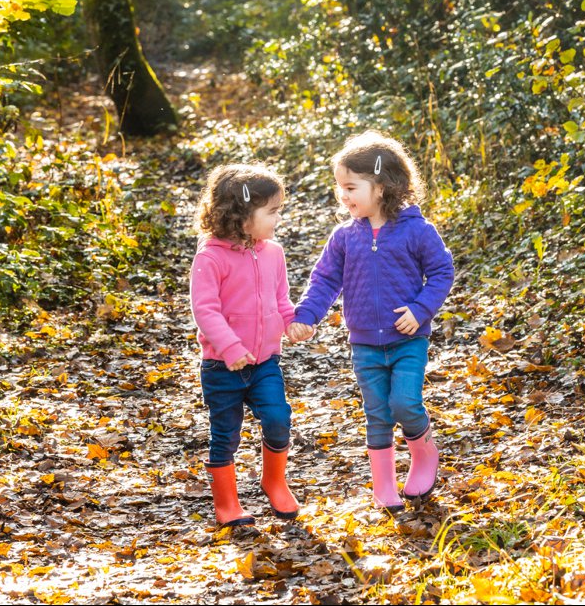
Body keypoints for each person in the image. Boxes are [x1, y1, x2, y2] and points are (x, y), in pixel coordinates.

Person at [287, 131, 454, 512]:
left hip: (407, 337)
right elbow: (325, 280)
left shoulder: (416, 230)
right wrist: (307, 316)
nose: (343, 196)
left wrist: (420, 309)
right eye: (339, 188)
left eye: (350, 187)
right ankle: (384, 487)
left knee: (404, 403)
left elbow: (442, 272)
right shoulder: (345, 237)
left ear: (381, 186)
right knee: (377, 412)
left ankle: (425, 456)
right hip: (363, 341)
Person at [190, 164, 300, 526]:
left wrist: (292, 323)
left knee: (278, 417)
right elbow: (205, 310)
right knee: (225, 434)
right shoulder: (210, 257)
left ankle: (274, 481)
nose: (277, 219)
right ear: (240, 216)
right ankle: (227, 503)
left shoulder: (273, 253)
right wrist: (231, 348)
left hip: (265, 361)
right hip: (223, 367)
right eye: (271, 212)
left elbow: (281, 298)